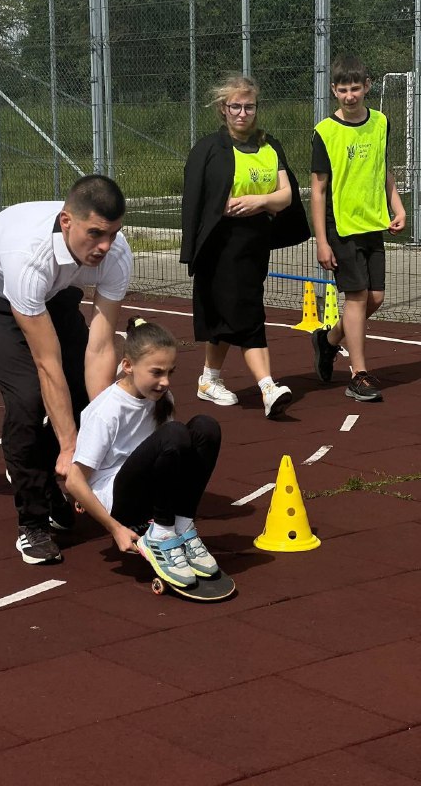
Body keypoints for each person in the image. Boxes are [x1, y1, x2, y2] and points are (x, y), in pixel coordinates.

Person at [0, 174, 132, 565]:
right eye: (95, 233)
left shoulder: (116, 254)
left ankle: (44, 475)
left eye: (113, 233)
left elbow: (100, 347)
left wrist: (101, 428)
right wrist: (70, 448)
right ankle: (32, 523)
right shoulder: (29, 255)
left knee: (84, 393)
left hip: (54, 292)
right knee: (29, 398)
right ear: (67, 222)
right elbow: (46, 363)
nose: (105, 245)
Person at [181, 74, 310, 418]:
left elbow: (286, 195)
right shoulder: (210, 149)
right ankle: (268, 388)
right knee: (248, 314)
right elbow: (201, 200)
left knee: (228, 315)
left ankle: (209, 380)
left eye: (249, 107)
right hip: (220, 247)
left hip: (254, 245)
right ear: (223, 109)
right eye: (235, 106)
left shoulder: (270, 147)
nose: (242, 113)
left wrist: (259, 201)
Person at [66, 317, 222, 587]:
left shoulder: (162, 399)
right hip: (120, 502)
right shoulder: (106, 411)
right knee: (174, 434)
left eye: (170, 372)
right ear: (128, 366)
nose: (165, 382)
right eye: (157, 372)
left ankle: (182, 524)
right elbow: (73, 481)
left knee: (206, 428)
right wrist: (115, 529)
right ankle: (161, 534)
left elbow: (173, 456)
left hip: (149, 492)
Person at [311, 54, 406, 401]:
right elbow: (318, 190)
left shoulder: (380, 122)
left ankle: (328, 340)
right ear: (333, 90)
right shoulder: (325, 132)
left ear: (367, 87)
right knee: (356, 297)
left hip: (372, 223)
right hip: (341, 226)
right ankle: (359, 375)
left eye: (355, 88)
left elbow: (383, 169)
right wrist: (322, 241)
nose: (349, 95)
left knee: (375, 297)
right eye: (343, 89)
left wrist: (397, 206)